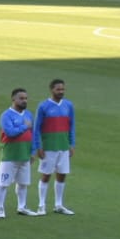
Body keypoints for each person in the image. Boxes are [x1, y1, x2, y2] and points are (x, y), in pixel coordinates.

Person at [0, 88, 42, 217]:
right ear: (13, 99)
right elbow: (10, 133)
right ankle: (0, 208)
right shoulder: (6, 115)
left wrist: (33, 151)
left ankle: (22, 207)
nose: (24, 101)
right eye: (21, 98)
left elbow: (33, 134)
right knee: (3, 183)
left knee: (23, 183)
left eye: (26, 98)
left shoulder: (28, 114)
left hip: (24, 155)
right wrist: (24, 126)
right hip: (9, 156)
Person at [34, 78, 77, 215]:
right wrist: (38, 147)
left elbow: (71, 126)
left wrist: (72, 144)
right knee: (46, 175)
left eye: (62, 89)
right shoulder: (43, 106)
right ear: (51, 89)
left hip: (63, 147)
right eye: (58, 89)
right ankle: (41, 205)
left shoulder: (68, 105)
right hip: (48, 147)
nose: (61, 92)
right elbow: (36, 128)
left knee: (62, 175)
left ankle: (58, 205)